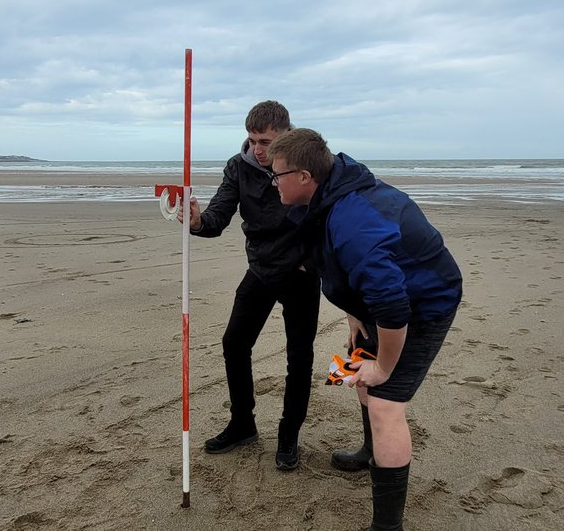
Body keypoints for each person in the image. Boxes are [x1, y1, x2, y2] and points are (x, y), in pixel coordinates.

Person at [267, 128, 462, 530]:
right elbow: (344, 268)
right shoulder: (332, 191)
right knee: (358, 375)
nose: (274, 182)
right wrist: (355, 312)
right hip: (381, 305)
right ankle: (369, 453)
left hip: (424, 306)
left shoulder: (354, 220)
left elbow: (393, 306)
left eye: (277, 174)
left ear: (305, 176)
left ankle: (387, 526)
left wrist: (386, 368)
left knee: (386, 405)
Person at [177, 101, 321, 471]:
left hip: (302, 273)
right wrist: (196, 222)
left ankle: (289, 435)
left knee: (299, 355)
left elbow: (330, 218)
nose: (259, 149)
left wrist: (314, 260)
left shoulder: (308, 163)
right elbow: (217, 218)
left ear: (286, 136)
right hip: (260, 268)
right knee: (234, 342)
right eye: (253, 140)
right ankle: (243, 424)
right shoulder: (238, 167)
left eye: (267, 141)